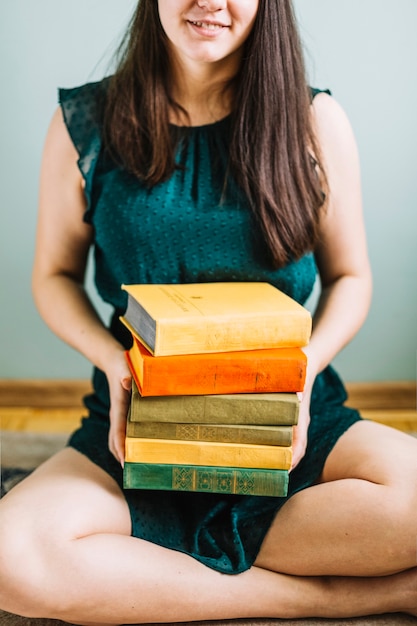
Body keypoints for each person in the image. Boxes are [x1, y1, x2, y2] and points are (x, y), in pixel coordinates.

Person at [1, 0, 417, 623]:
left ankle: (153, 564)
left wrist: (303, 374)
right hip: (136, 423)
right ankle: (338, 596)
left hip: (285, 419)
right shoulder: (84, 123)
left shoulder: (315, 120)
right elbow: (53, 276)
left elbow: (351, 278)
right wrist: (115, 364)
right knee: (11, 560)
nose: (210, 2)